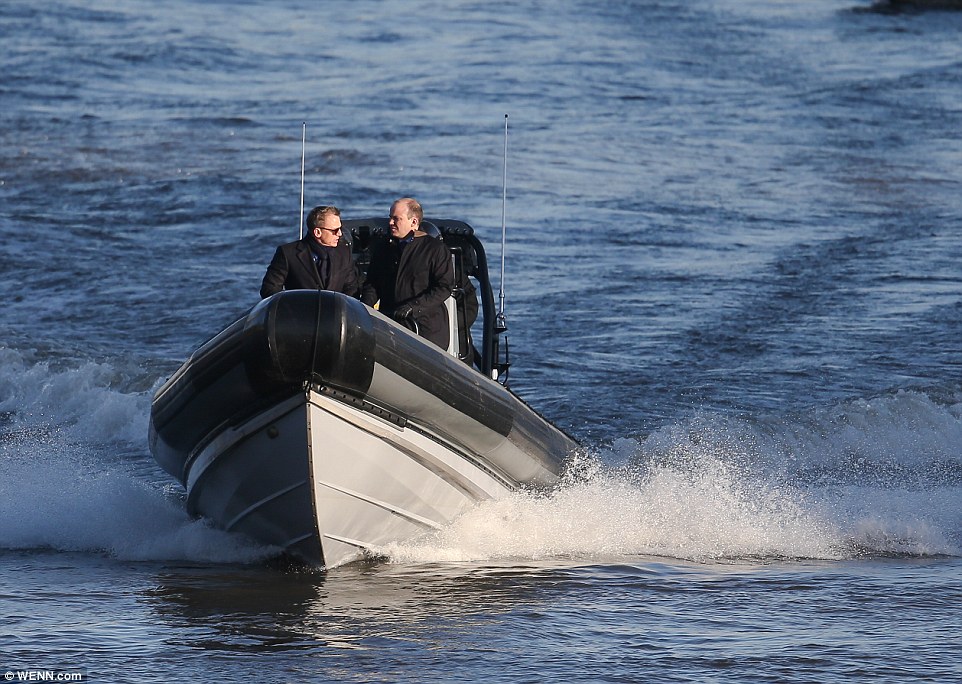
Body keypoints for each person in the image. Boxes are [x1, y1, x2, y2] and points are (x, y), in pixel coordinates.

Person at [361, 197, 455, 350]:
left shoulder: (435, 249)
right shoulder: (383, 248)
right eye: (390, 218)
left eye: (396, 219)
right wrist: (365, 309)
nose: (390, 223)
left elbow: (443, 287)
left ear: (414, 222)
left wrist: (413, 307)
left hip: (426, 329)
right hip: (390, 325)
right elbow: (372, 284)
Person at [260, 205, 360, 299]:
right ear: (317, 232)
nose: (340, 234)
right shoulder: (288, 254)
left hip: (334, 314)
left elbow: (351, 287)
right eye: (335, 230)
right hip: (300, 315)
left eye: (340, 228)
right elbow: (269, 289)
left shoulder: (344, 252)